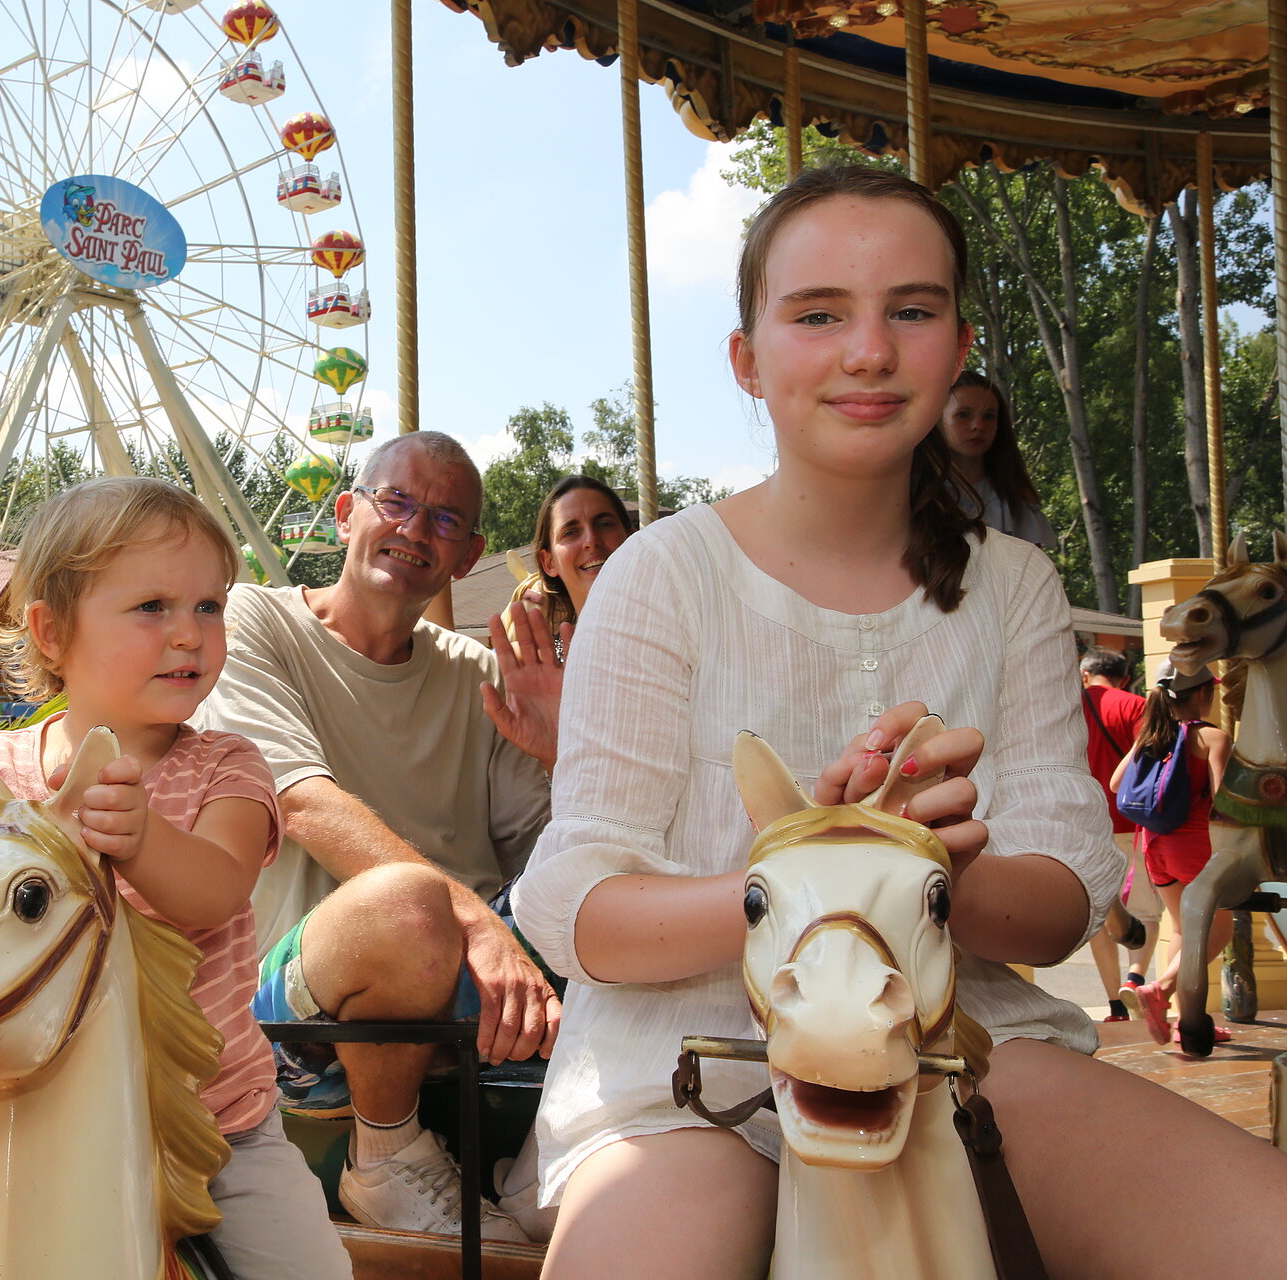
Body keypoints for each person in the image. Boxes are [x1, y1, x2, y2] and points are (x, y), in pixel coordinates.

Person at [513, 163, 1287, 1280]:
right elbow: (580, 905)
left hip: (958, 1041)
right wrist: (823, 870)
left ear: (959, 341)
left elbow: (1063, 901)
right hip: (691, 1054)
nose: (868, 349)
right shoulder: (659, 575)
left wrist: (926, 871)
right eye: (818, 313)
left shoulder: (1012, 584)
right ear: (747, 355)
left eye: (910, 311)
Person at [0, 477, 352, 1280]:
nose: (189, 634)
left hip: (212, 1132)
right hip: (15, 1130)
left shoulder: (228, 766)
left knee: (309, 1269)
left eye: (209, 607)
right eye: (152, 607)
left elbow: (216, 889)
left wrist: (145, 842)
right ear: (49, 631)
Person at [198, 430, 561, 1241]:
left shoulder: (480, 675)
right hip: (313, 999)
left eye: (443, 520)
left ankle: (551, 1168)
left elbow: (548, 862)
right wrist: (470, 922)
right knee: (406, 907)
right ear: (345, 513)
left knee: (624, 923)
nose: (413, 529)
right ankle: (387, 1153)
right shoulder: (254, 622)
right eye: (396, 501)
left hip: (470, 990)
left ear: (466, 558)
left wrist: (563, 751)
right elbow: (300, 805)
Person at [1110, 659, 1235, 1046]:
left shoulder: (1151, 735)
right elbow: (1224, 803)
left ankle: (1185, 1021)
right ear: (1203, 693)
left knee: (1182, 930)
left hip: (1155, 846)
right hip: (1196, 848)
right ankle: (1160, 989)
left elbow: (1117, 784)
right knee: (1217, 933)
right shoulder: (1213, 738)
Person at [1079, 646, 1162, 1017]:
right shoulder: (1134, 706)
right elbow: (1152, 759)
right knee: (1145, 909)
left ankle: (1115, 1002)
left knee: (1101, 914)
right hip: (1131, 822)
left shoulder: (1066, 707)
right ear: (1124, 677)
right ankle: (1135, 979)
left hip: (1085, 826)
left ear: (1085, 675)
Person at [939, 369, 1054, 548]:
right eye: (963, 415)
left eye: (989, 416)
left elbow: (1032, 568)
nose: (978, 425)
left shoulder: (1015, 498)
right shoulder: (918, 492)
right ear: (938, 420)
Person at [527, 475, 637, 635]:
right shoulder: (549, 658)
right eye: (570, 532)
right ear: (549, 562)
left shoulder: (678, 636)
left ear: (632, 539)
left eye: (605, 524)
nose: (591, 540)